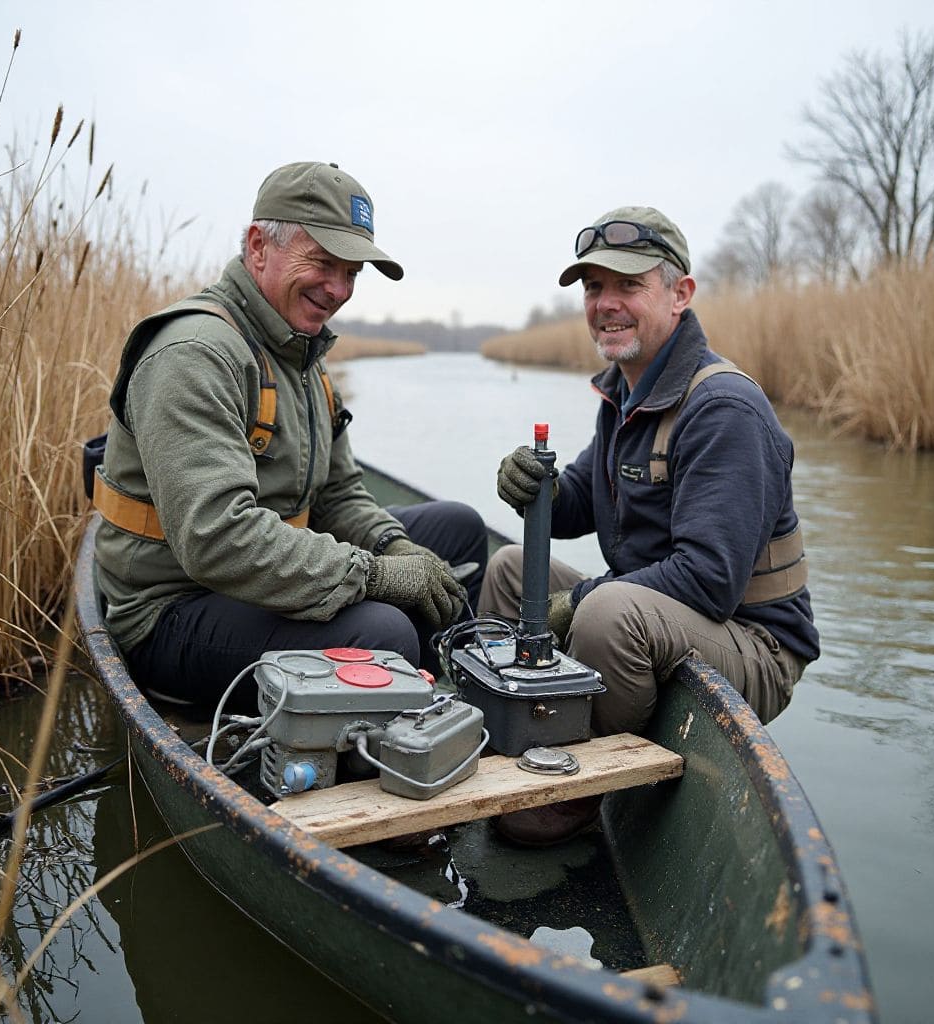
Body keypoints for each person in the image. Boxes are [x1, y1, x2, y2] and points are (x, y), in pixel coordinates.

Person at [92, 161, 487, 712]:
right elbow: (217, 537)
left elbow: (339, 496)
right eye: (323, 262)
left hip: (259, 581)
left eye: (352, 272)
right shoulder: (195, 353)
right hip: (173, 610)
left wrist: (395, 549)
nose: (339, 289)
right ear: (259, 246)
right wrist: (376, 575)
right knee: (381, 634)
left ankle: (424, 691)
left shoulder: (302, 358)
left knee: (459, 530)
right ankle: (377, 743)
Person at [479, 206, 819, 845]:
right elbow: (580, 500)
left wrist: (576, 602)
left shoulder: (723, 409)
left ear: (679, 295)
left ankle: (583, 787)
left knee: (606, 613)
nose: (606, 304)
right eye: (593, 287)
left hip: (753, 645)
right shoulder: (627, 390)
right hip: (657, 611)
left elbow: (710, 580)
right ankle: (519, 738)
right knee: (508, 567)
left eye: (627, 285)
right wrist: (533, 486)